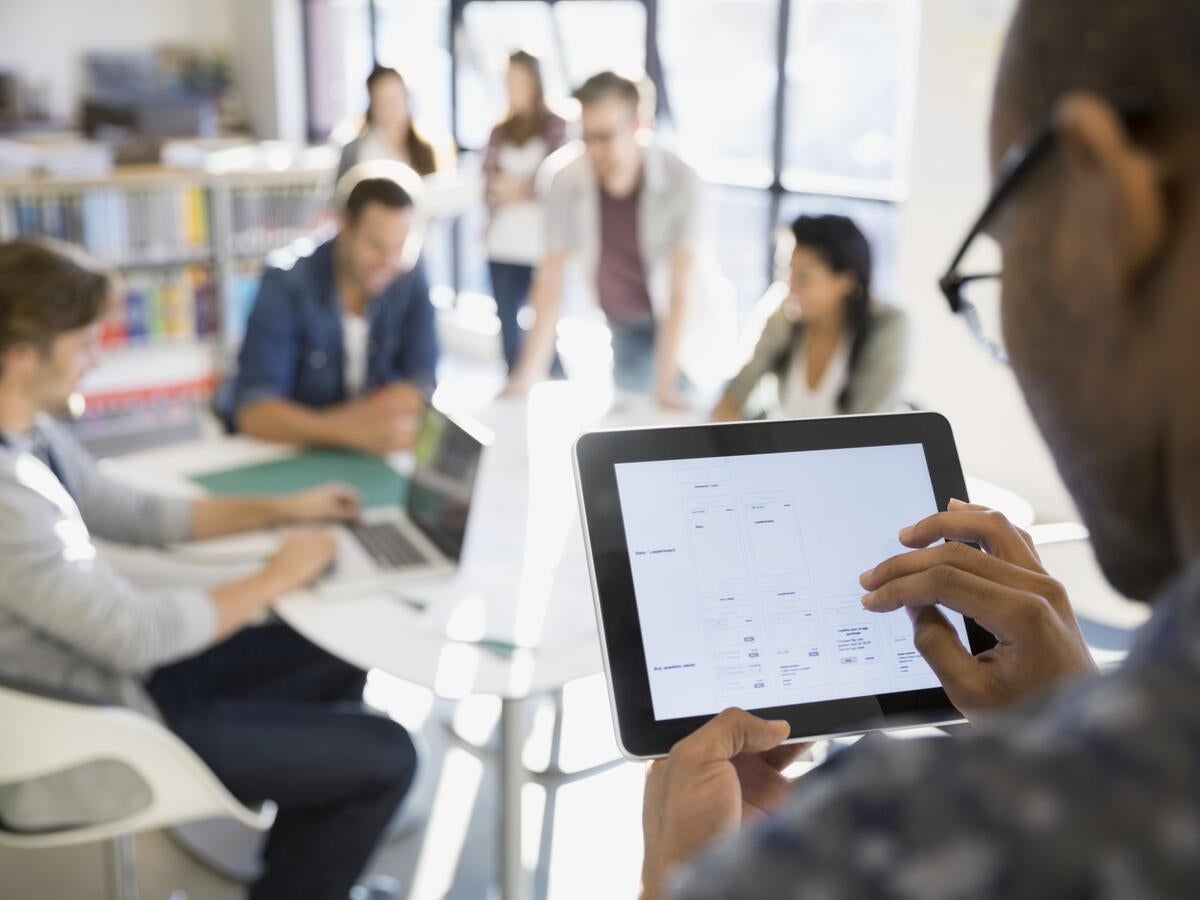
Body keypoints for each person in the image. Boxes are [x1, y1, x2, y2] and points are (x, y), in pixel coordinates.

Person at [640, 1, 1200, 897]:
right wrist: (1064, 717)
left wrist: (687, 883)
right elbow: (739, 392)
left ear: (1105, 216)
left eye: (1002, 259)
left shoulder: (888, 850)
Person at [0, 240, 415, 900]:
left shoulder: (28, 432)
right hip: (112, 717)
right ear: (23, 356)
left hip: (126, 674)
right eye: (82, 344)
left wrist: (282, 508)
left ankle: (298, 875)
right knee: (391, 757)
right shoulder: (8, 500)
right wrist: (278, 574)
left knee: (333, 652)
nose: (95, 359)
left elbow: (131, 512)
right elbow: (137, 632)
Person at [504, 71, 704, 407]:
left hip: (685, 327)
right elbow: (550, 283)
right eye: (585, 137)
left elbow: (678, 290)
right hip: (623, 325)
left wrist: (666, 385)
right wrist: (524, 379)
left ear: (640, 126)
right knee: (633, 416)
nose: (594, 150)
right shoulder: (563, 179)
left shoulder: (681, 179)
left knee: (685, 417)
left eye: (605, 136)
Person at [231, 163, 439, 454]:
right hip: (290, 458)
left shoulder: (409, 274)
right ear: (344, 225)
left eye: (399, 248)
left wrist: (319, 426)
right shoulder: (285, 283)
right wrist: (353, 432)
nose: (388, 262)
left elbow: (420, 387)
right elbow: (256, 412)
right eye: (376, 246)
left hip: (366, 456)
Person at [712, 215, 907, 421]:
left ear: (846, 280)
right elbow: (735, 393)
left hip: (851, 453)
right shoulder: (783, 311)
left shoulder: (888, 327)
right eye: (785, 273)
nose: (790, 288)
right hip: (778, 449)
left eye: (803, 278)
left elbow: (868, 426)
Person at [482, 50, 568, 372]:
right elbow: (489, 185)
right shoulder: (498, 130)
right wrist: (523, 189)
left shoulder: (556, 125)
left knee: (546, 331)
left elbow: (553, 182)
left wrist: (518, 188)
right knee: (508, 331)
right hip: (501, 243)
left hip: (542, 245)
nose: (512, 87)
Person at [336, 65, 448, 182]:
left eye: (396, 99)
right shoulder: (352, 152)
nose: (392, 109)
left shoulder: (425, 151)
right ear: (372, 106)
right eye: (383, 101)